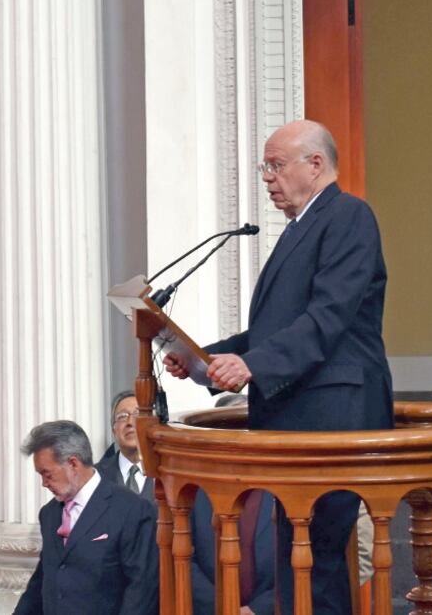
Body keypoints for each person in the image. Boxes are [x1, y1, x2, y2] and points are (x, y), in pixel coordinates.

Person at [164, 120, 394, 614]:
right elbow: (271, 332)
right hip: (298, 421)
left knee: (319, 559)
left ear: (316, 165)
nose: (267, 177)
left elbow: (326, 319)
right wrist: (202, 358)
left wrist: (251, 366)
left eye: (275, 165)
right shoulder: (300, 228)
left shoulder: (348, 216)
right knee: (299, 559)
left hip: (333, 419)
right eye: (264, 166)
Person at [13, 420, 158, 615]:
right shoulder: (49, 514)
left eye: (47, 474)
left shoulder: (132, 509)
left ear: (73, 463)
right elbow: (42, 581)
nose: (44, 483)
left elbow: (142, 589)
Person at [191, 395, 275, 615]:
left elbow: (301, 561)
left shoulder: (284, 487)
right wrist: (222, 607)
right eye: (232, 430)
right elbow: (183, 558)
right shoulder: (196, 489)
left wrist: (257, 610)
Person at [95, 392, 154, 501]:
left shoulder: (166, 471)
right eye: (122, 416)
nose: (130, 422)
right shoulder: (96, 475)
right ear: (114, 430)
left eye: (137, 414)